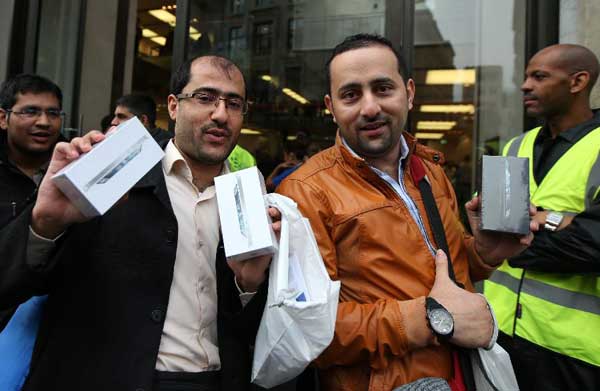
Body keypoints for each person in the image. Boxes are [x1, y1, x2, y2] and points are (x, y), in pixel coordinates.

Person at [0, 56, 279, 391]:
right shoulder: (116, 170)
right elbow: (14, 283)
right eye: (204, 98)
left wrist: (247, 287)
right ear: (173, 106)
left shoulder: (248, 196)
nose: (220, 114)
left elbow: (258, 332)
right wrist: (43, 225)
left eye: (234, 103)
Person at [277, 33, 535, 390]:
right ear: (330, 106)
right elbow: (307, 332)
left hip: (463, 374)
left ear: (409, 93)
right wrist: (432, 318)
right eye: (351, 94)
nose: (369, 107)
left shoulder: (430, 170)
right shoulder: (306, 191)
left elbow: (444, 271)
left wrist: (483, 253)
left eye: (383, 88)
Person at [483, 44, 600, 390]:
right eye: (526, 76)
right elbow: (491, 230)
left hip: (573, 350)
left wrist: (521, 231)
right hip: (500, 335)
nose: (524, 85)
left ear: (578, 81)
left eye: (539, 76)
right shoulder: (515, 147)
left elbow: (592, 247)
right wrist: (563, 221)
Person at [0, 74, 64, 391]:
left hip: (57, 336)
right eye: (30, 111)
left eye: (53, 113)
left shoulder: (73, 170)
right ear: (3, 118)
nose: (44, 122)